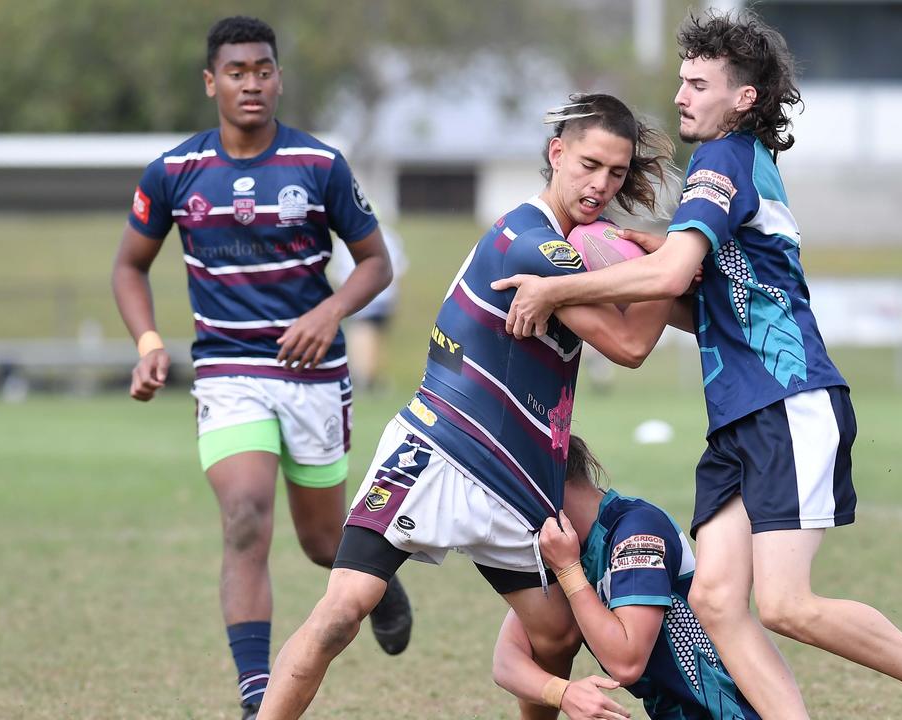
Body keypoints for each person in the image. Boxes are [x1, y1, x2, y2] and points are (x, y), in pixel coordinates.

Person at [492, 10, 902, 720]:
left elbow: (675, 274)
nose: (680, 96)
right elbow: (697, 295)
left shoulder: (725, 160)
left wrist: (558, 288)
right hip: (740, 417)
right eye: (681, 80)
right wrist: (637, 247)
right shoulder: (733, 168)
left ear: (743, 99)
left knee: (787, 604)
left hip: (785, 401)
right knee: (711, 598)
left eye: (698, 83)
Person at [255, 93, 678, 720]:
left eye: (616, 173)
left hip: (519, 477)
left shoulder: (575, 250)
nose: (601, 184)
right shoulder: (530, 242)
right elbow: (631, 343)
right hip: (440, 448)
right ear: (557, 153)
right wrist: (673, 256)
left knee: (556, 637)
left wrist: (650, 260)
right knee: (342, 610)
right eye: (589, 164)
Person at [109, 16, 412, 719]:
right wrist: (149, 341)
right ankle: (256, 697)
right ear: (211, 81)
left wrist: (329, 312)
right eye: (237, 71)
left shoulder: (319, 166)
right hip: (227, 371)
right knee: (245, 517)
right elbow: (129, 265)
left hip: (313, 378)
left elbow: (375, 263)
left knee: (320, 541)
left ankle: (380, 582)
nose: (252, 82)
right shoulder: (176, 171)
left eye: (264, 69)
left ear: (278, 77)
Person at [493, 435, 760, 720]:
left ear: (547, 484)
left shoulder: (636, 532)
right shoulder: (563, 548)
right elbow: (506, 661)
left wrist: (569, 571)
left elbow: (626, 662)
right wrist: (563, 693)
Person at [328, 212, 408, 394]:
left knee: (362, 334)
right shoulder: (389, 236)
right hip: (385, 294)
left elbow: (337, 271)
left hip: (360, 293)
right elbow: (398, 267)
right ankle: (367, 375)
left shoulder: (344, 241)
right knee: (374, 336)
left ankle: (364, 377)